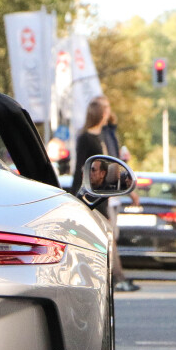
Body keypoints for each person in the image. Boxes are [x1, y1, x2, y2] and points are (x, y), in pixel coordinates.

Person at [73, 96, 138, 292]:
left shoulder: (105, 135)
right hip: (92, 195)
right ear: (100, 112)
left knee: (108, 236)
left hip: (104, 194)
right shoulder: (85, 137)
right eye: (107, 108)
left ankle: (116, 277)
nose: (109, 111)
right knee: (106, 236)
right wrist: (79, 194)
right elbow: (81, 169)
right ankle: (116, 278)